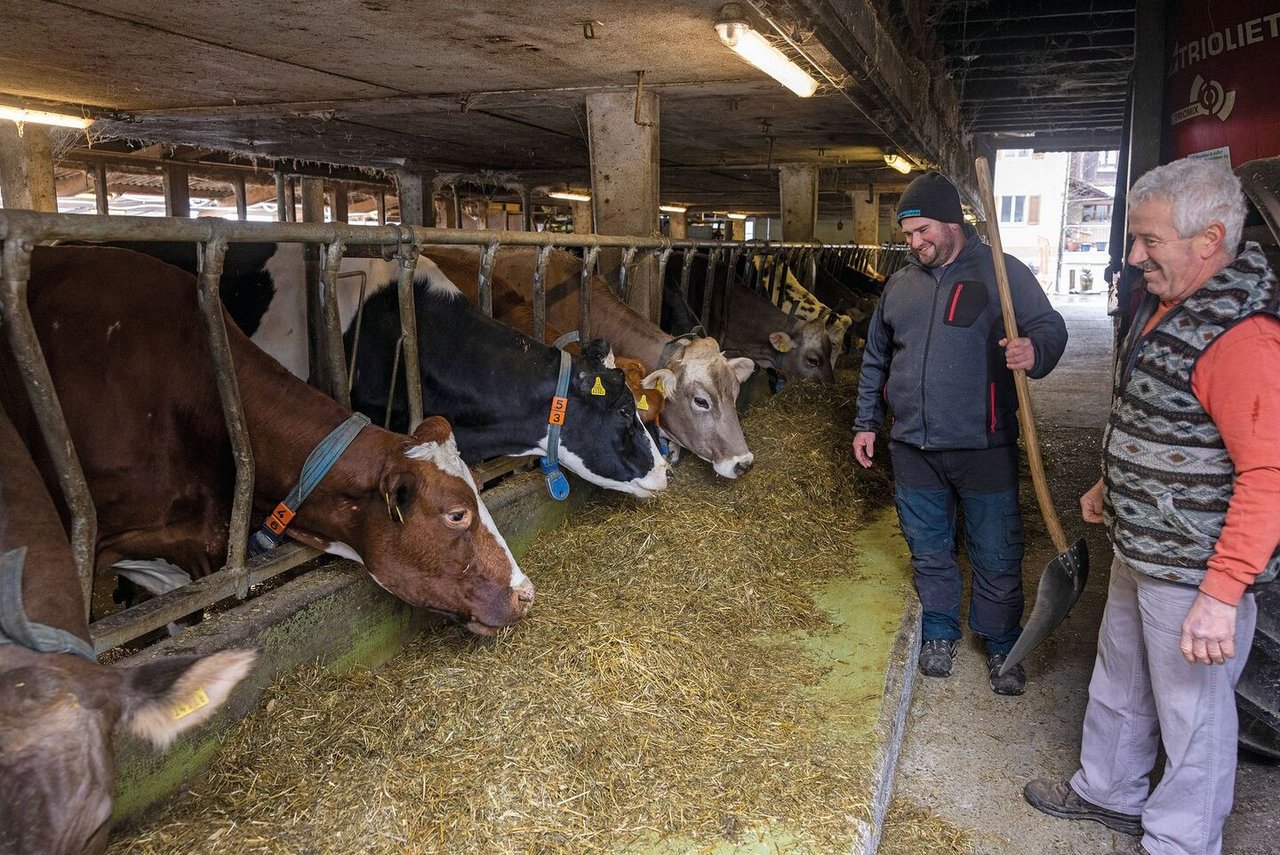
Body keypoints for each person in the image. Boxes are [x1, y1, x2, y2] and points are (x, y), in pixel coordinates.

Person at [1023, 157, 1280, 855]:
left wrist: (1222, 593)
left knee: (1194, 713)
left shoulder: (1243, 338)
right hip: (1143, 547)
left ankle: (1181, 840)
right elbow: (1156, 414)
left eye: (1149, 242)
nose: (1134, 257)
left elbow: (1268, 474)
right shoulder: (1174, 306)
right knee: (1121, 674)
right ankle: (1109, 788)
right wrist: (1114, 480)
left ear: (1209, 239)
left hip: (1196, 566)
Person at [852, 171, 1068, 695]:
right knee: (928, 548)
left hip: (983, 444)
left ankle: (1000, 643)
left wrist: (1034, 351)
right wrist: (866, 422)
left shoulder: (1002, 271)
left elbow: (1050, 326)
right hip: (912, 446)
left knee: (995, 550)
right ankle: (940, 632)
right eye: (907, 234)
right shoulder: (900, 284)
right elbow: (876, 357)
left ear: (952, 223)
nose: (914, 242)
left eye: (923, 230)